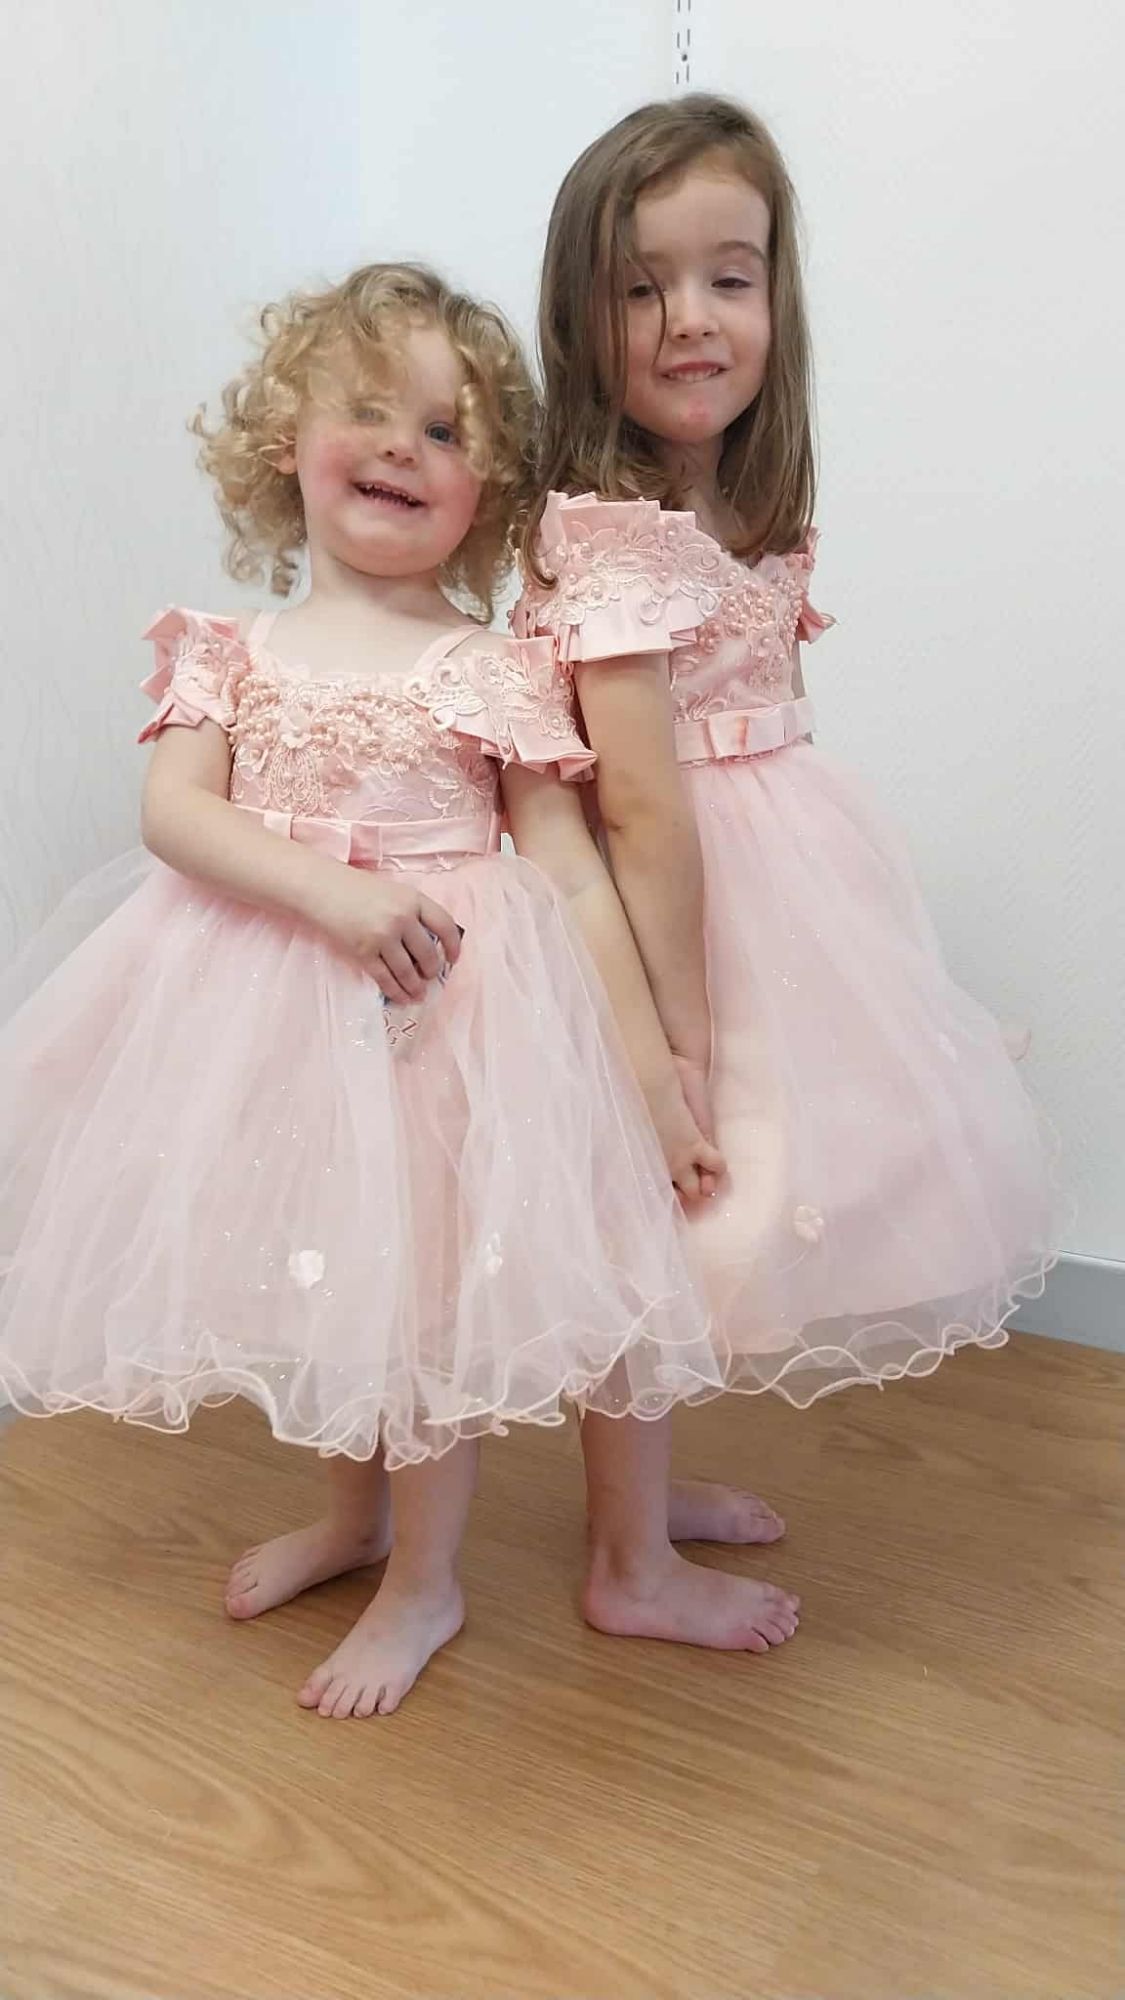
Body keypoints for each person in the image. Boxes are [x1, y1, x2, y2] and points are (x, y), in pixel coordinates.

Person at [0, 261, 799, 1717]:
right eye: (367, 412)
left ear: (485, 488)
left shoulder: (487, 669)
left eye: (444, 431)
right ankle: (353, 1522)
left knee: (425, 1299)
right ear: (281, 440)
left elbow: (572, 877)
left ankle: (426, 1579)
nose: (401, 448)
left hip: (449, 1034)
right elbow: (176, 816)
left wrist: (651, 1080)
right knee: (333, 1274)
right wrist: (335, 894)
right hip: (279, 1014)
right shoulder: (229, 653)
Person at [514, 95, 1053, 1582]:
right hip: (659, 914)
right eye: (642, 287)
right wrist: (676, 1030)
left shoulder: (731, 506)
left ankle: (639, 1499)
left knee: (719, 1216)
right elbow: (639, 800)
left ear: (777, 298)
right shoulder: (614, 531)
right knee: (660, 1202)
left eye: (729, 278)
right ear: (580, 317)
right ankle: (627, 1560)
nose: (691, 317)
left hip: (769, 881)